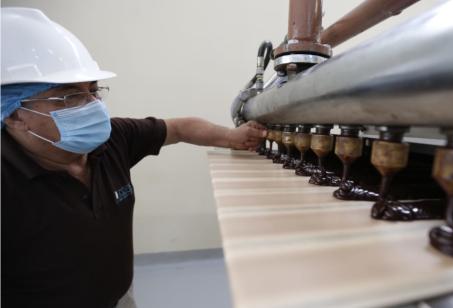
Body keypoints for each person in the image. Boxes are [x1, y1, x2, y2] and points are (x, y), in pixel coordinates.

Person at [1, 7, 266, 308]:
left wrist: (232, 137)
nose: (93, 106)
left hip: (120, 298)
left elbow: (179, 128)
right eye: (69, 95)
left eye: (94, 90)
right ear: (14, 115)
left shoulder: (113, 139)